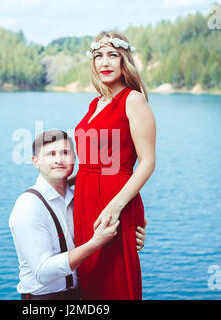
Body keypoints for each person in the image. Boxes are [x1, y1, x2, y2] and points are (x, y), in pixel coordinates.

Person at [9, 130, 147, 300]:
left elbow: (104, 234)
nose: (59, 160)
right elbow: (42, 272)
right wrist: (95, 243)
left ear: (75, 159)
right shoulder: (29, 205)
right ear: (35, 161)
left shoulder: (79, 200)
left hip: (83, 295)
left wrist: (130, 237)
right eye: (51, 154)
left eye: (65, 153)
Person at [71, 31, 156, 300]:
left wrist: (117, 206)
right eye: (98, 56)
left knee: (115, 282)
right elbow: (92, 160)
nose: (104, 62)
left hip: (114, 201)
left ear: (124, 60)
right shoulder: (95, 103)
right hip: (85, 198)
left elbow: (148, 162)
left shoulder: (133, 99)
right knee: (90, 277)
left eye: (112, 55)